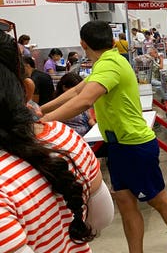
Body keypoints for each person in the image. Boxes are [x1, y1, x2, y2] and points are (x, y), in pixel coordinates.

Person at [40, 20, 167, 253]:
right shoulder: (106, 63)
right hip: (118, 146)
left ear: (83, 44)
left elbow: (85, 100)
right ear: (112, 40)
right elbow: (77, 90)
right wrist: (42, 110)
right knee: (126, 204)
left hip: (134, 145)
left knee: (158, 199)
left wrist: (44, 121)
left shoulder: (110, 65)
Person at [0, 31, 113, 252]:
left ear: (85, 45)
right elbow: (102, 219)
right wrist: (40, 118)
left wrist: (41, 113)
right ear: (26, 90)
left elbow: (83, 97)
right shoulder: (64, 136)